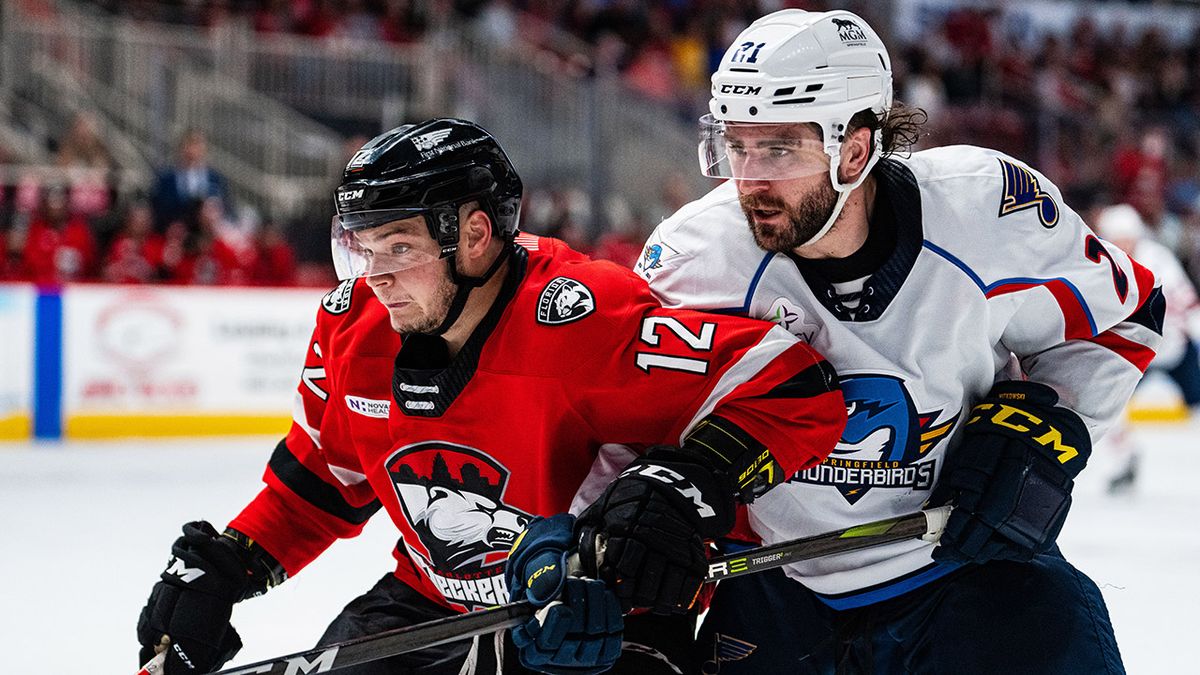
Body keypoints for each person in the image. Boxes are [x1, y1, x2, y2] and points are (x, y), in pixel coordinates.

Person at [135, 118, 847, 675]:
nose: (375, 276)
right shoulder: (353, 328)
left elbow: (791, 389)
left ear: (475, 235)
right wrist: (233, 562)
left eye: (399, 247)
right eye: (362, 248)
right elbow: (324, 479)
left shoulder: (580, 318)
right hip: (428, 602)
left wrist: (685, 486)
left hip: (593, 613)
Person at [611, 9, 1161, 674]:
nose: (748, 177)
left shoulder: (986, 210)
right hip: (778, 589)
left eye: (780, 148)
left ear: (855, 147)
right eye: (738, 144)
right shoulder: (692, 256)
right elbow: (627, 435)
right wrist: (642, 596)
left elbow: (1118, 317)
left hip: (968, 573)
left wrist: (1040, 431)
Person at [1092, 203, 1200, 492]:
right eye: (1116, 237)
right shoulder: (1104, 262)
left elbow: (1186, 301)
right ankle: (1125, 461)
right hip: (1137, 351)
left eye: (1126, 236)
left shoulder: (1156, 258)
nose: (1122, 243)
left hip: (1174, 347)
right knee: (1112, 407)